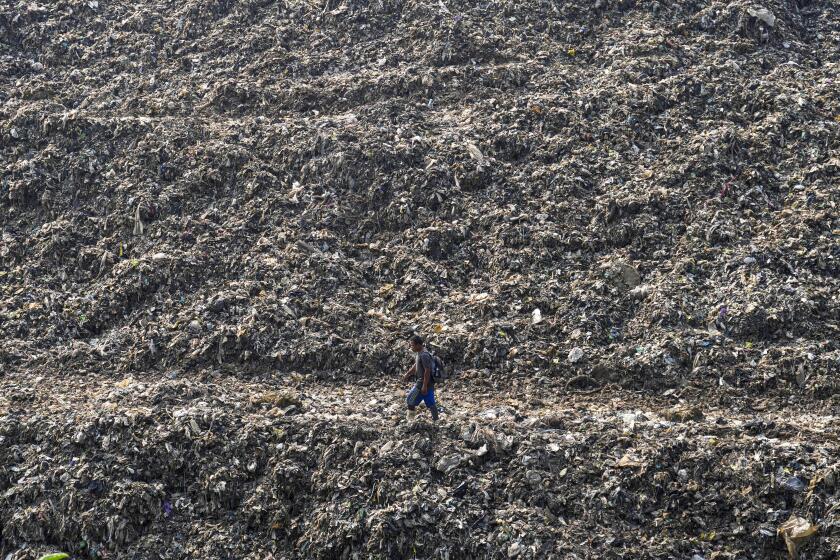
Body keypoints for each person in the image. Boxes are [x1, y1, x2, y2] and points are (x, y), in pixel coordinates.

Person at [403, 334, 439, 421]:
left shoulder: (424, 355)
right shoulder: (420, 353)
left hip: (422, 383)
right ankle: (436, 420)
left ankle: (410, 420)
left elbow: (427, 371)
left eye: (412, 345)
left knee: (410, 400)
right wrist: (408, 374)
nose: (411, 347)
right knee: (430, 402)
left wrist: (424, 385)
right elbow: (416, 365)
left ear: (418, 345)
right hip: (426, 383)